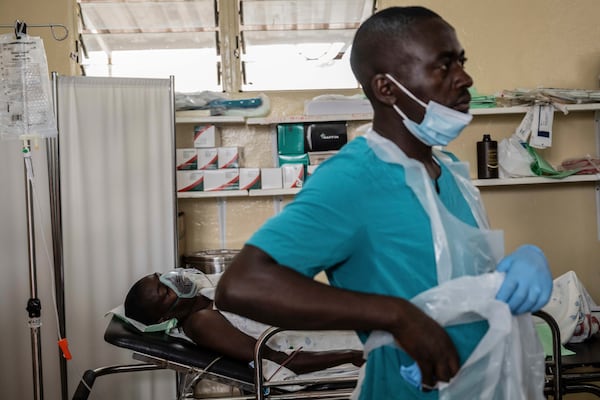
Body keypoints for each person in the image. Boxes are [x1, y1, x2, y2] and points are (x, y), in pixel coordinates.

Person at [214, 6, 553, 399]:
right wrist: (398, 316)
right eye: (443, 66)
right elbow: (242, 284)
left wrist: (522, 266)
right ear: (386, 88)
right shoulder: (354, 178)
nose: (465, 78)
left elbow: (448, 280)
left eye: (460, 61)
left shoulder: (452, 172)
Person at [123, 269, 364, 376]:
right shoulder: (202, 322)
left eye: (162, 277)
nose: (173, 281)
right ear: (165, 318)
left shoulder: (205, 298)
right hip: (328, 341)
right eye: (165, 291)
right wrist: (353, 355)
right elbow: (279, 361)